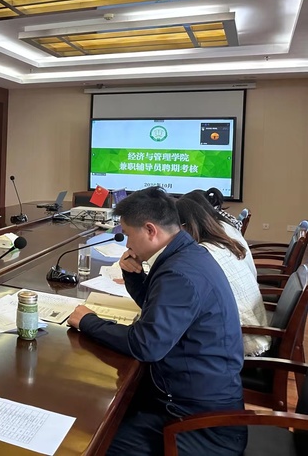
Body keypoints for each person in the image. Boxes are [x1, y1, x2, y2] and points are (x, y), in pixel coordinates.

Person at [68, 187, 247, 455]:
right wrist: (134, 276)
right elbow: (159, 311)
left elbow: (146, 345)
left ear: (150, 230)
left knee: (90, 443)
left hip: (199, 424)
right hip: (190, 399)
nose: (127, 245)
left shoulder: (179, 273)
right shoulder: (184, 254)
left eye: (128, 235)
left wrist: (89, 321)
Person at [177, 197, 270, 356]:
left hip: (243, 342)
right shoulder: (220, 243)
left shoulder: (203, 254)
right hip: (255, 328)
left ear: (185, 226)